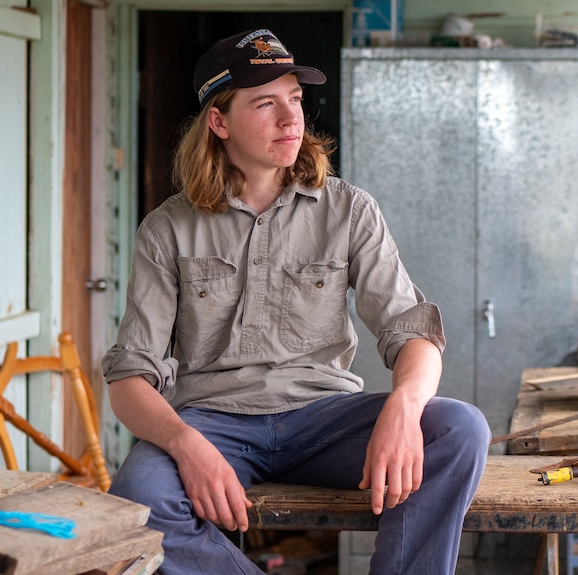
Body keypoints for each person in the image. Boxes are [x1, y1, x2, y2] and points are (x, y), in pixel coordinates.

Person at [103, 28, 491, 575]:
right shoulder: (167, 229)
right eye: (266, 104)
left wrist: (404, 405)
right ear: (219, 122)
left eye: (295, 100)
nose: (291, 120)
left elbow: (413, 331)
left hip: (325, 419)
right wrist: (185, 442)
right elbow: (129, 381)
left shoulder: (350, 210)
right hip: (215, 422)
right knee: (139, 501)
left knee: (460, 430)